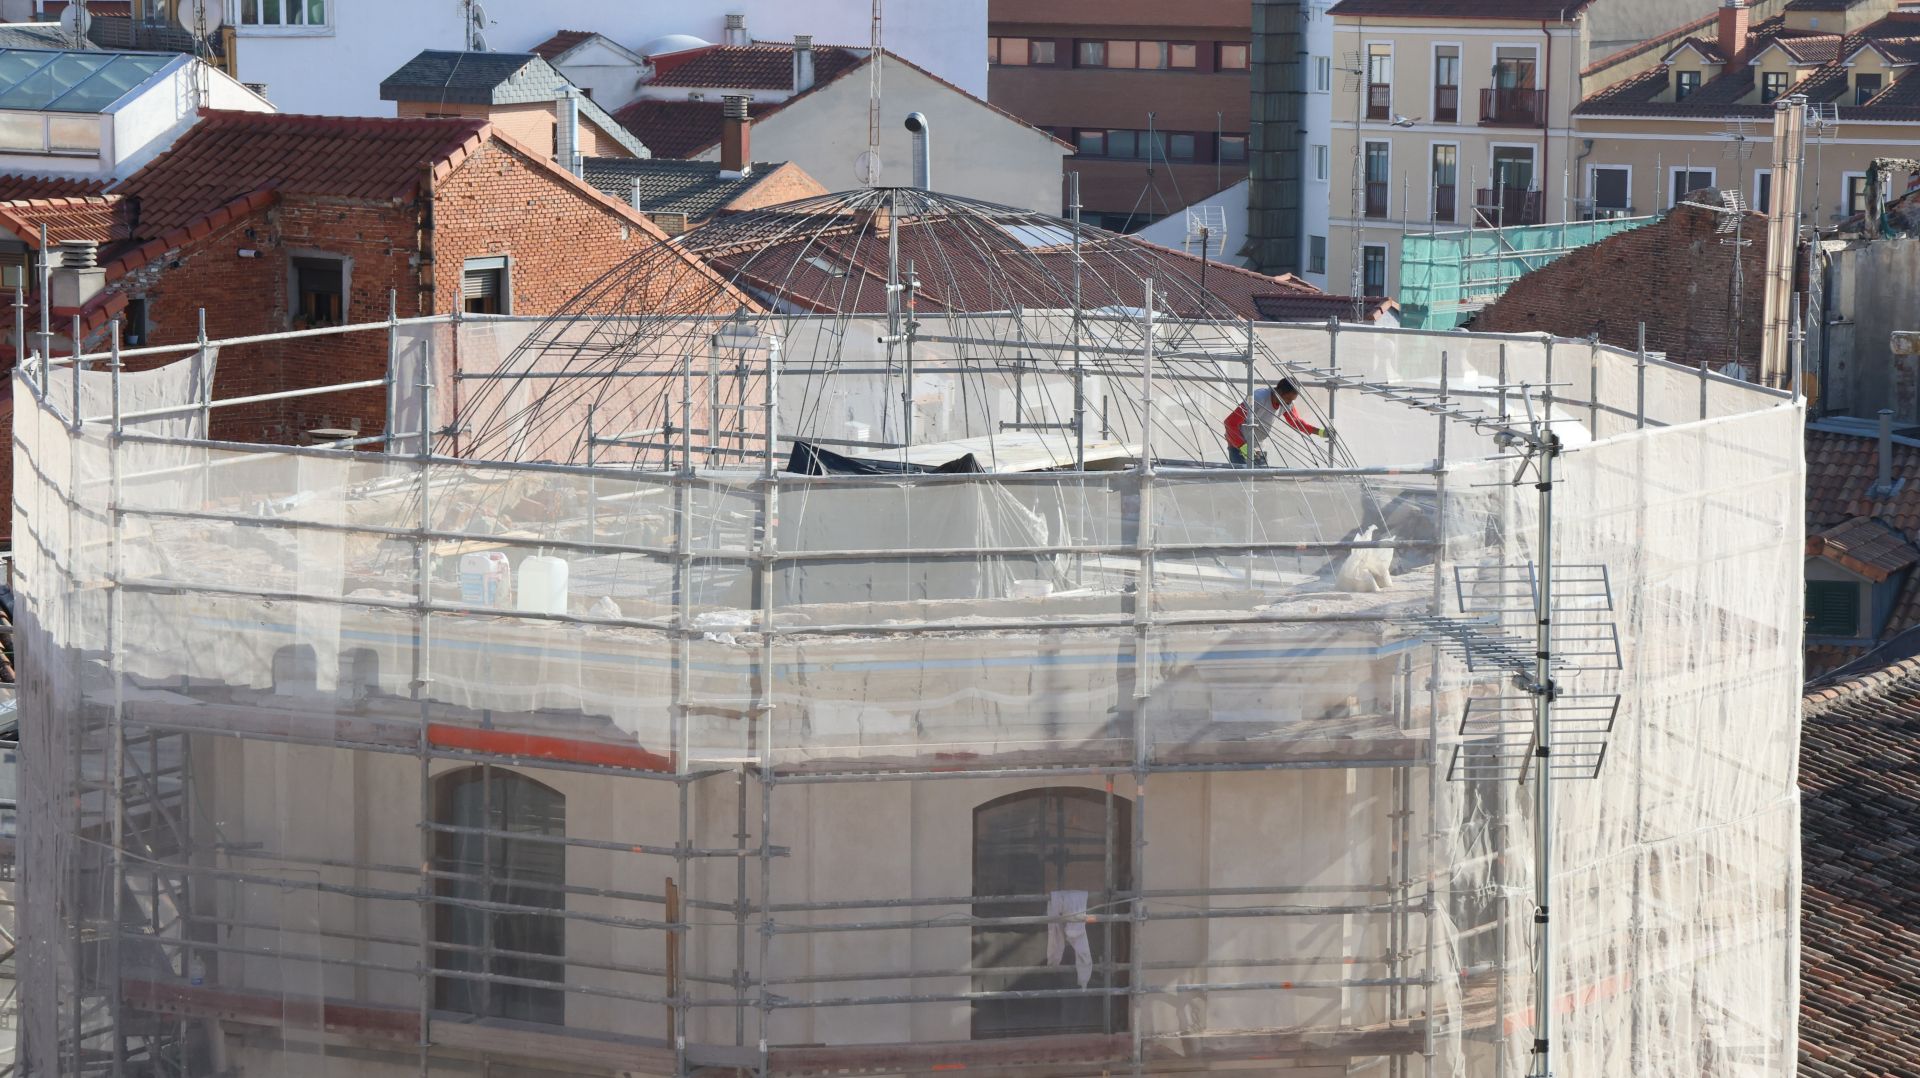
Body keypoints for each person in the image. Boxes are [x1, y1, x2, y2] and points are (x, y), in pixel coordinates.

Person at [1224, 378, 1333, 466]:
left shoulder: (1287, 403)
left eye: (1292, 401)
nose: (1289, 403)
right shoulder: (1258, 398)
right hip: (1238, 447)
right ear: (1279, 392)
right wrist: (1244, 448)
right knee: (1243, 485)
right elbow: (1230, 423)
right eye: (1288, 399)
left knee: (1261, 485)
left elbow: (1295, 421)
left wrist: (1320, 432)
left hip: (1257, 448)